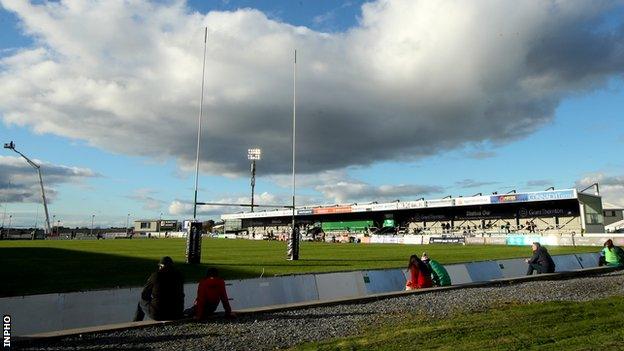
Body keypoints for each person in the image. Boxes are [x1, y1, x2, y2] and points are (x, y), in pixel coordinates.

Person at [134, 256, 185, 321]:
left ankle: (135, 323)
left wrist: (152, 300)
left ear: (161, 266)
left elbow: (144, 295)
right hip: (177, 313)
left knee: (141, 303)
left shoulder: (156, 275)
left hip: (159, 314)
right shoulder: (179, 276)